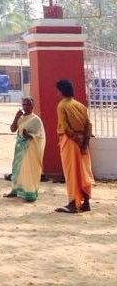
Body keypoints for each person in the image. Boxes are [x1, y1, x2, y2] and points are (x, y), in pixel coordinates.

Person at [55, 79, 95, 213]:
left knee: (72, 172)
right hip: (83, 141)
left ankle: (72, 203)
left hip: (70, 142)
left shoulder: (62, 105)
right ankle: (86, 202)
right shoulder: (80, 105)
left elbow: (65, 128)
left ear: (61, 91)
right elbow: (89, 125)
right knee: (83, 171)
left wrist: (77, 140)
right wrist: (85, 141)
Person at [4, 97, 45, 202]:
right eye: (24, 105)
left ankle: (29, 193)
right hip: (19, 148)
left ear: (32, 106)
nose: (26, 107)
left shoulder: (35, 119)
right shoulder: (21, 117)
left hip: (30, 148)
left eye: (28, 105)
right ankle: (15, 190)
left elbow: (40, 135)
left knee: (29, 170)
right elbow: (13, 129)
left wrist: (29, 135)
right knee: (17, 169)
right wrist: (16, 117)